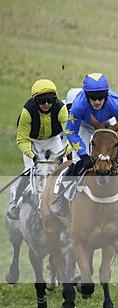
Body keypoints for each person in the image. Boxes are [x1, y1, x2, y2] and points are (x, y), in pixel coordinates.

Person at [50, 73, 118, 217]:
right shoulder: (78, 105)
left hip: (106, 127)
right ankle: (61, 199)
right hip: (84, 127)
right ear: (86, 95)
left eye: (101, 97)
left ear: (106, 95)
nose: (97, 102)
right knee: (78, 161)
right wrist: (83, 154)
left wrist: (116, 151)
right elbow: (71, 131)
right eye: (93, 98)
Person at [7, 79, 68, 220]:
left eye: (50, 100)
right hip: (32, 141)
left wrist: (65, 151)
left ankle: (62, 200)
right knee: (30, 171)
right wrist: (33, 156)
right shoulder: (27, 112)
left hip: (53, 140)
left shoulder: (61, 108)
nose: (46, 104)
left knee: (62, 169)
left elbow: (71, 134)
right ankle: (16, 202)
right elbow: (22, 140)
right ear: (35, 101)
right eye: (42, 101)